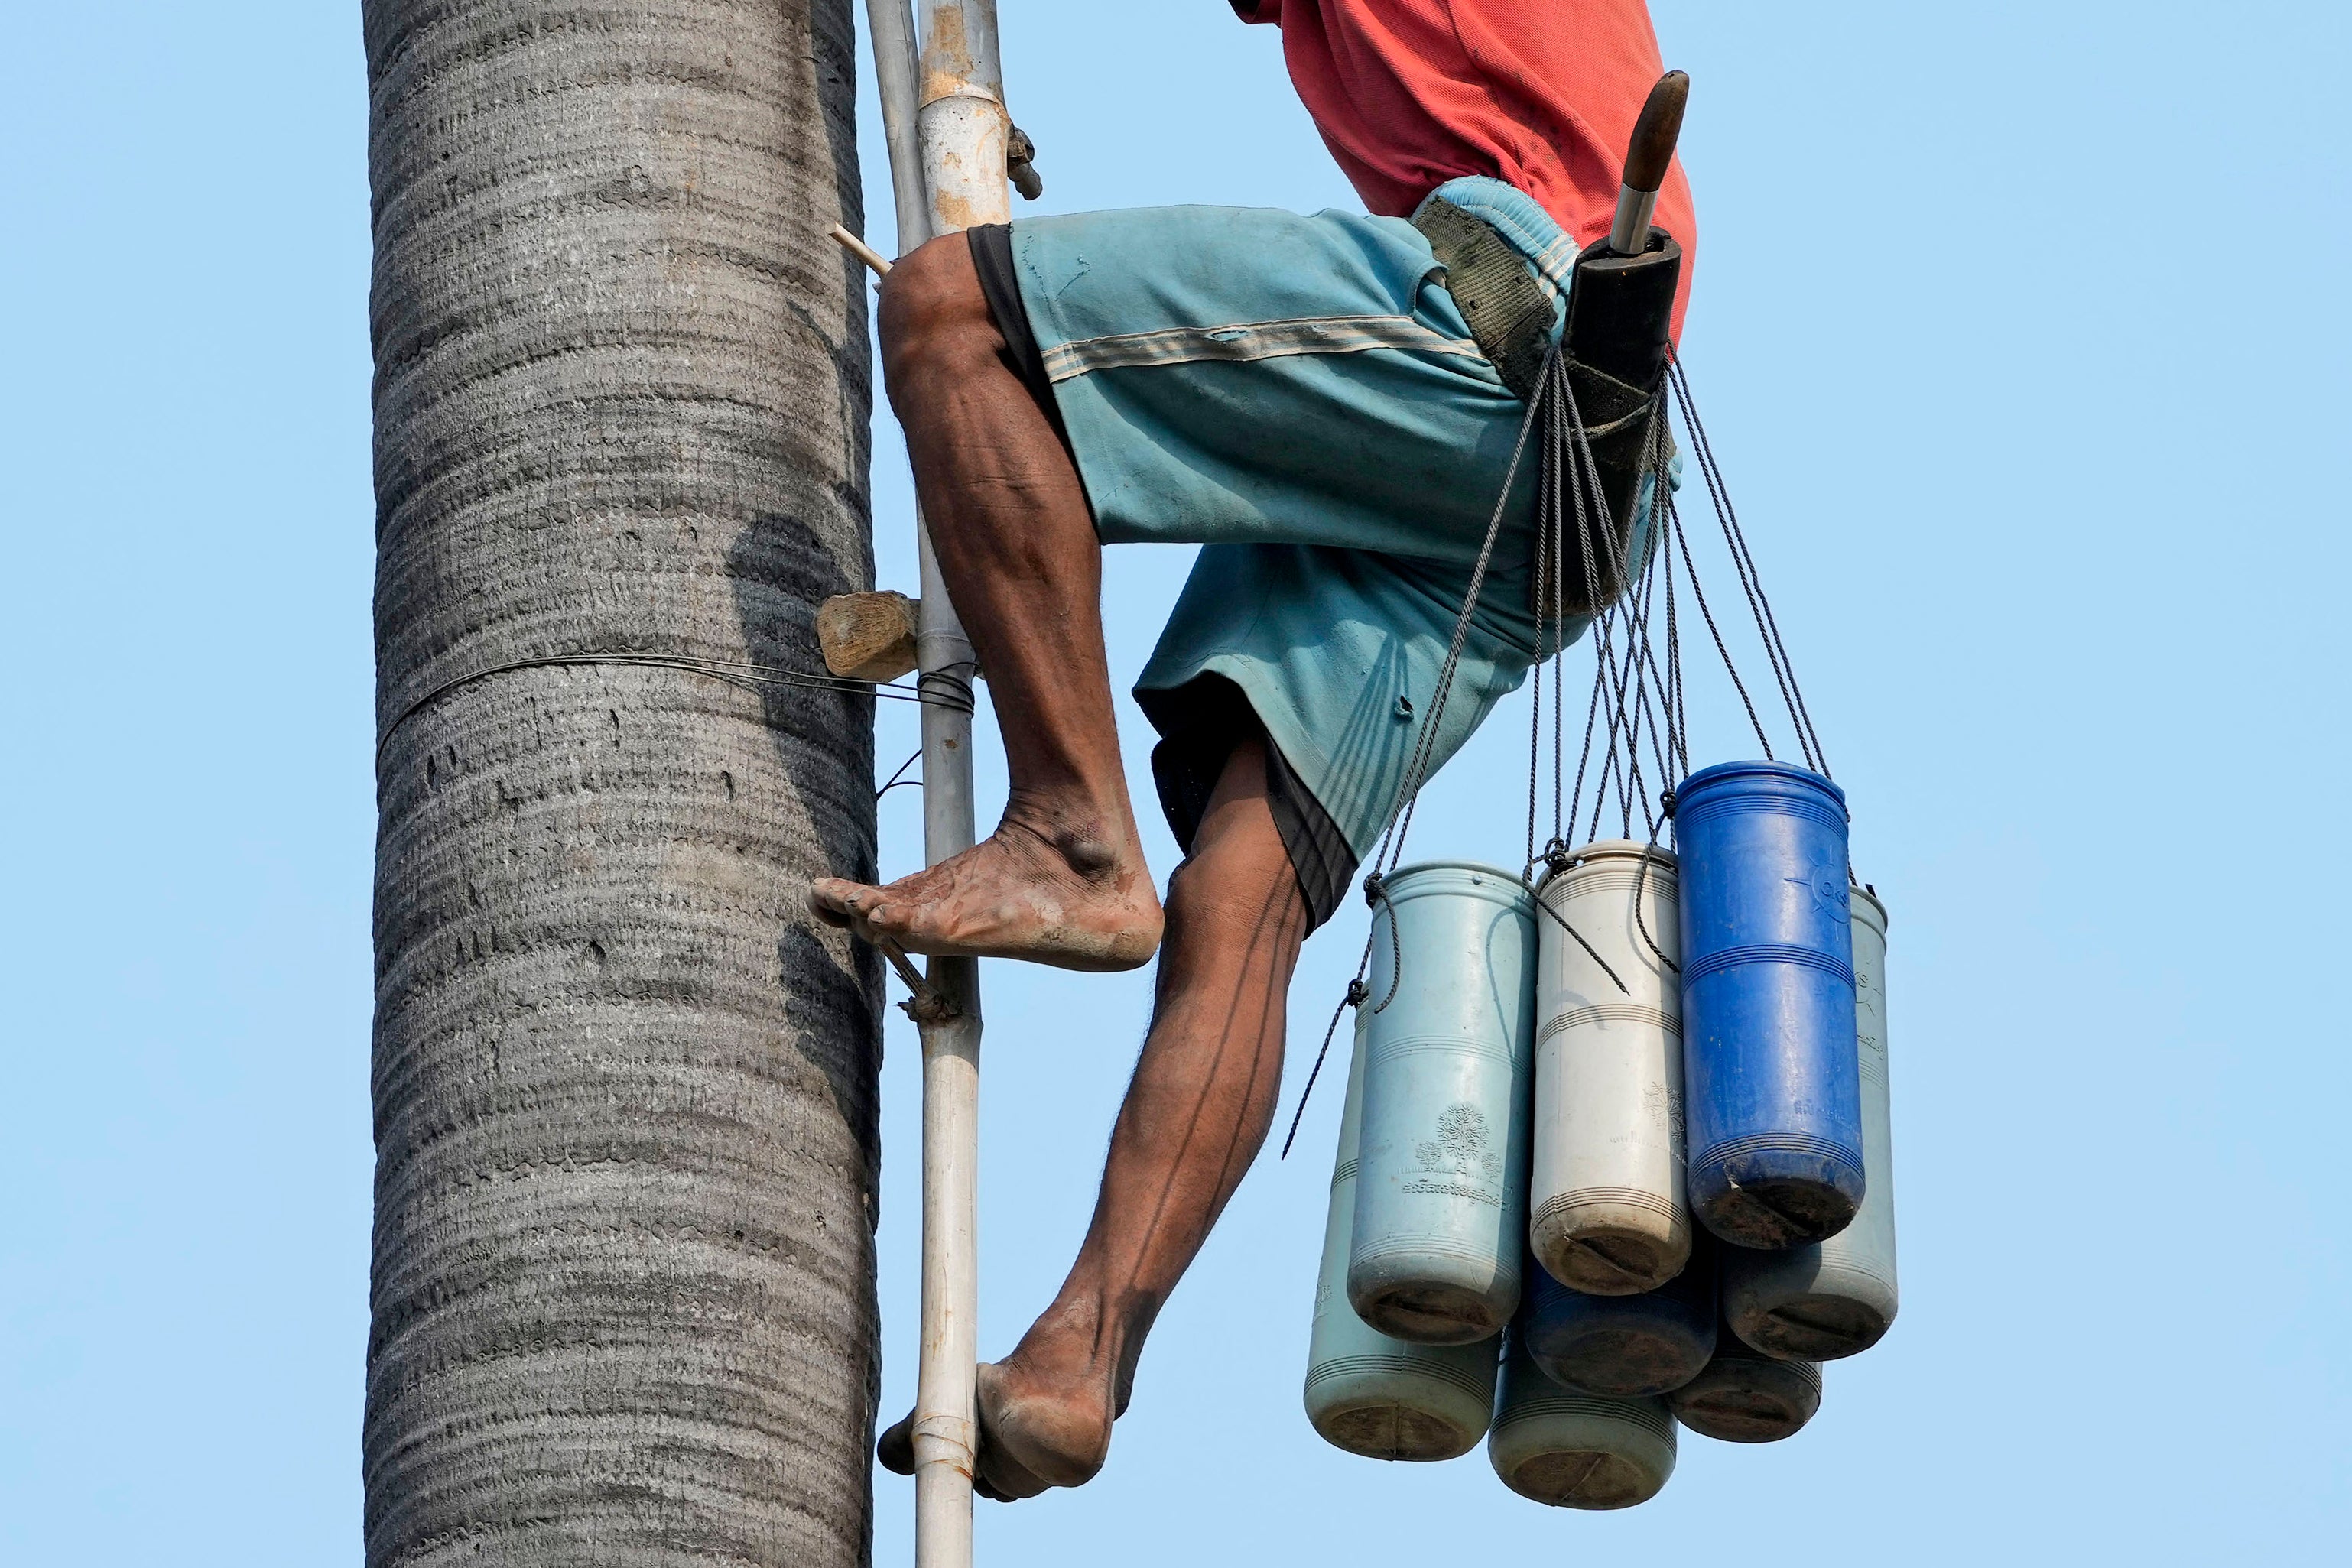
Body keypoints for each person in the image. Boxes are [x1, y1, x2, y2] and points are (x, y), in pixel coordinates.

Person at [816, 0, 1696, 1501]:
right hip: (1577, 488)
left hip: (1497, 320)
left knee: (953, 315)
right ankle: (1076, 1370)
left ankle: (1071, 838)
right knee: (1244, 889)